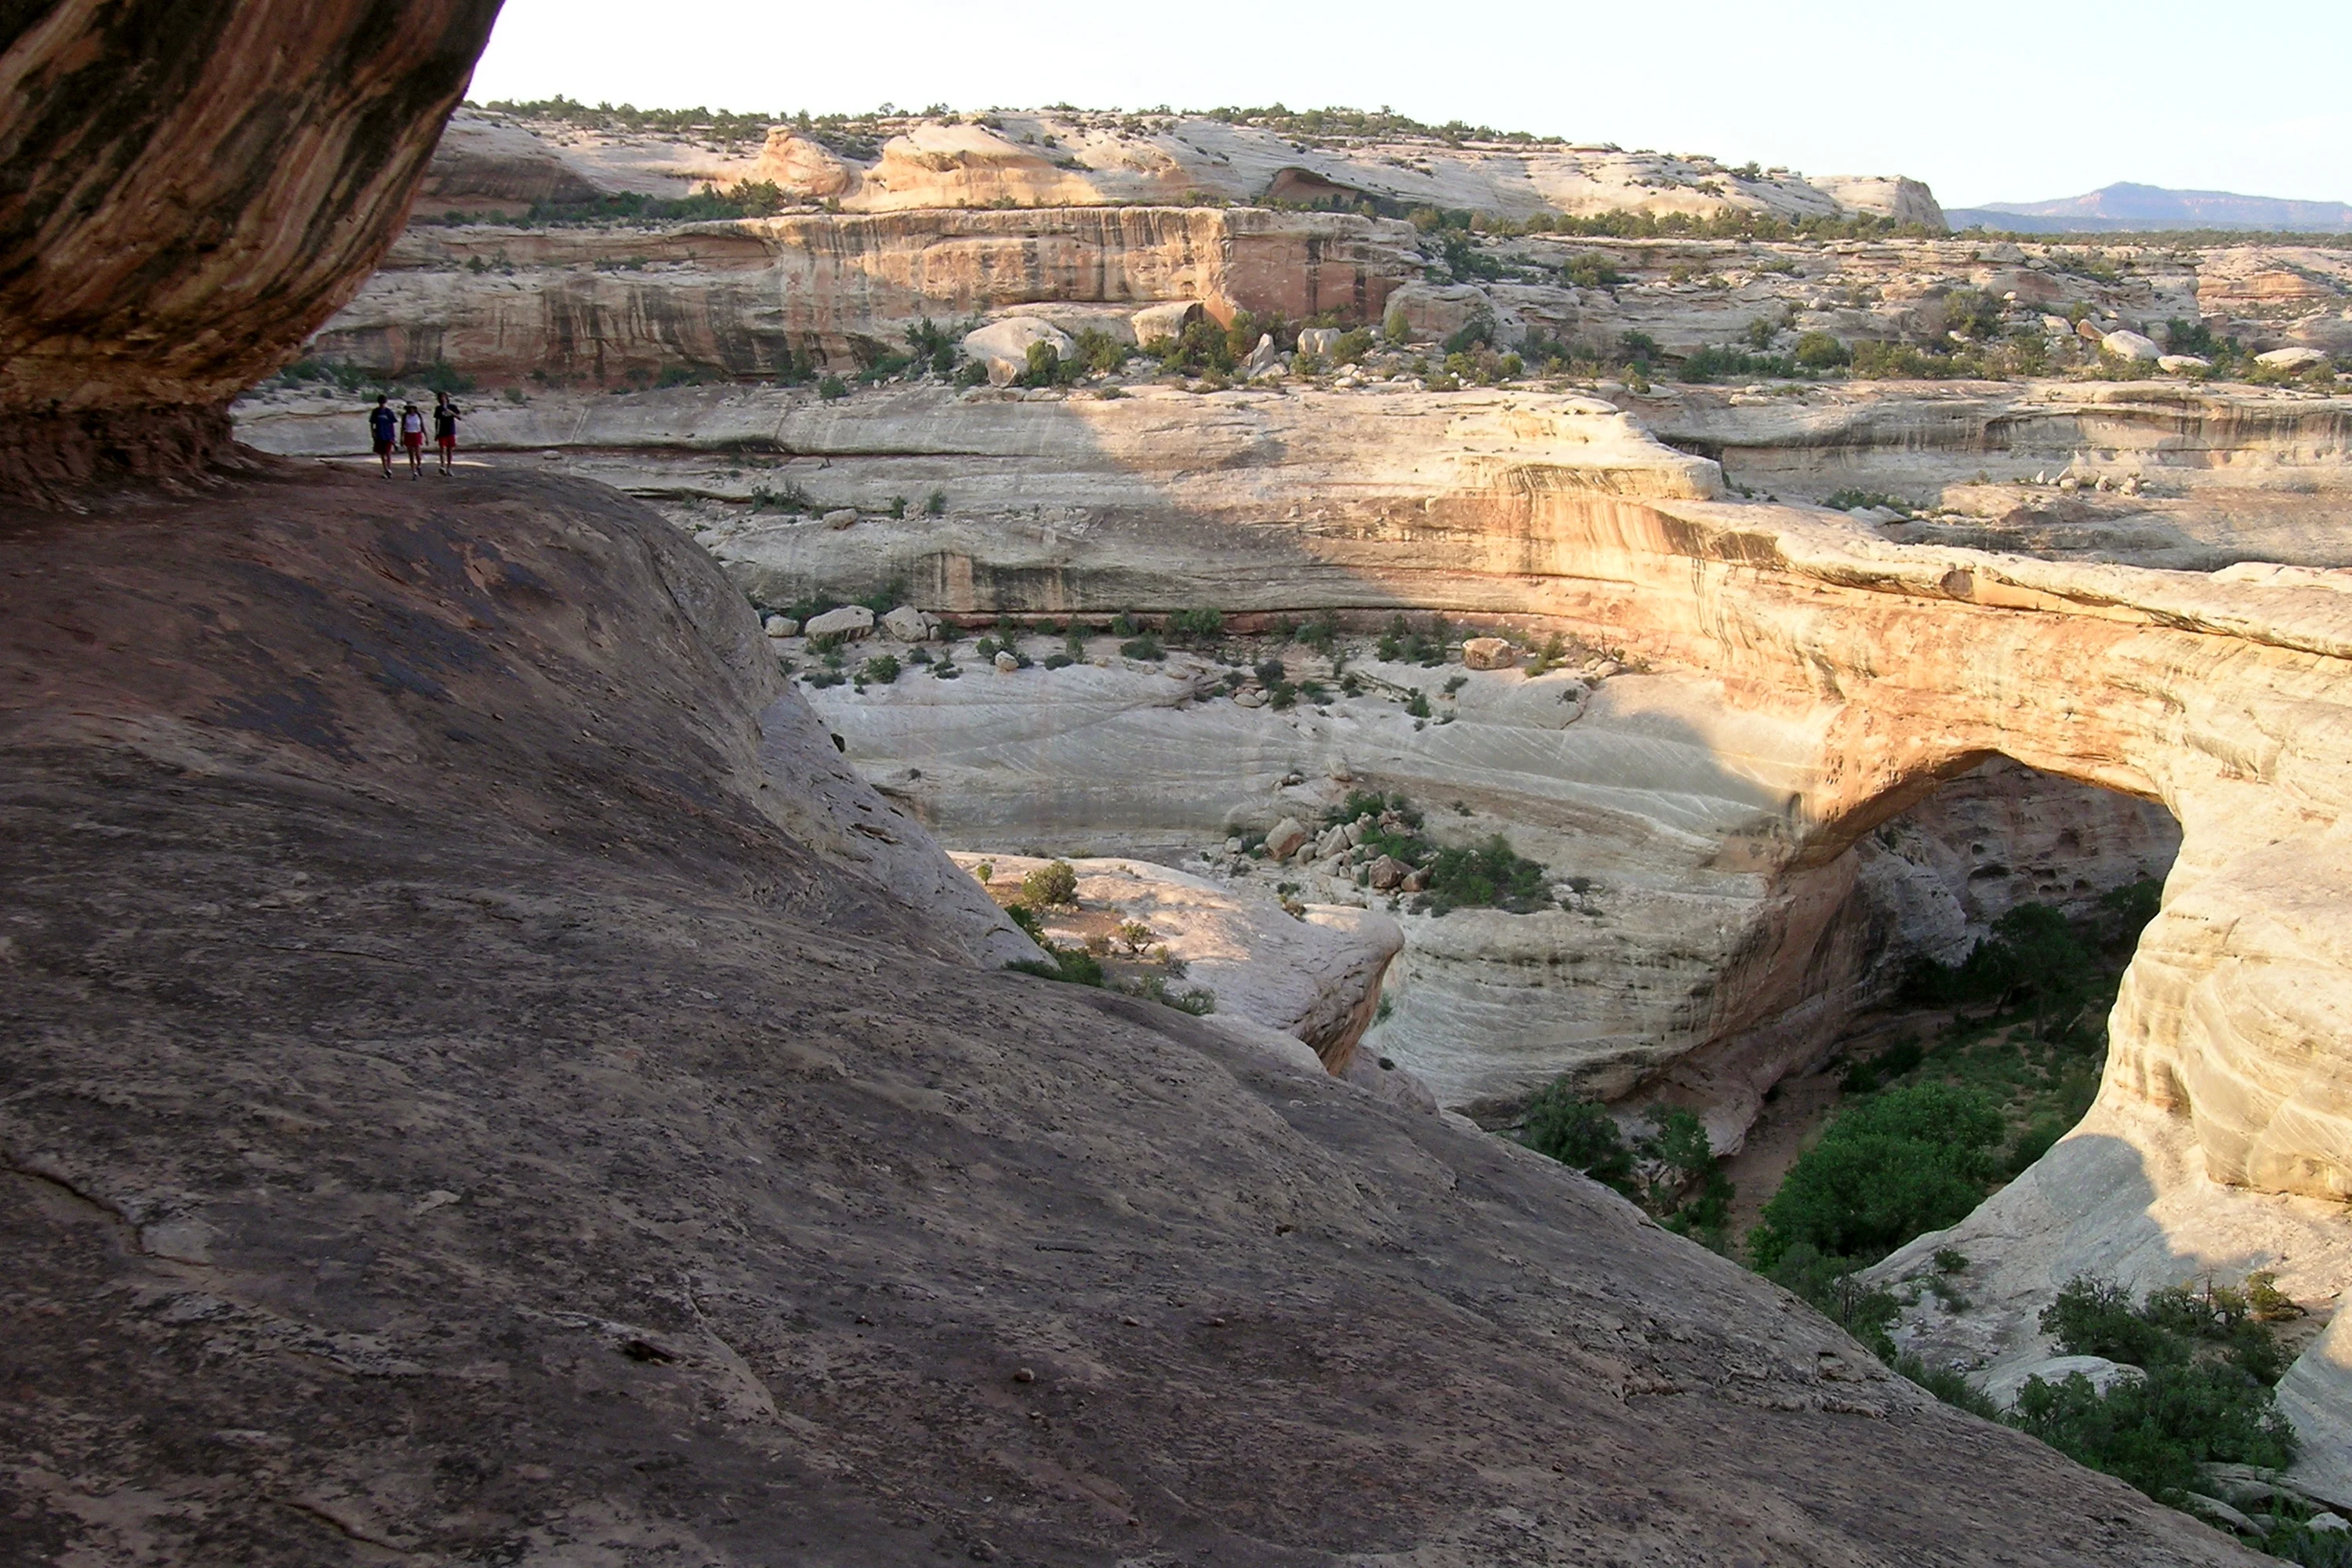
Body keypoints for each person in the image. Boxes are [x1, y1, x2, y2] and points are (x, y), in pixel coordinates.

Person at [432, 391, 463, 476]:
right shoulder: (438, 409)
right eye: (440, 398)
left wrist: (451, 413)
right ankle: (442, 466)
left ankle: (449, 467)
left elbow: (460, 417)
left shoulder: (452, 407)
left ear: (446, 398)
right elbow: (437, 421)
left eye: (443, 397)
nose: (442, 399)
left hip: (450, 431)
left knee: (450, 450)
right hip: (442, 432)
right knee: (442, 449)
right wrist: (436, 432)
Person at [368, 395, 397, 477]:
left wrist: (393, 436)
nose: (382, 404)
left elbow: (392, 425)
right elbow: (372, 423)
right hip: (379, 434)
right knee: (382, 453)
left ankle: (389, 469)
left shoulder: (388, 412)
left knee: (388, 452)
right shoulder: (376, 412)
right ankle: (386, 470)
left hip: (388, 434)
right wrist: (373, 433)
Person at [399, 401, 425, 477]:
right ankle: (414, 472)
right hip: (408, 434)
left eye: (412, 408)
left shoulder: (418, 416)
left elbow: (422, 426)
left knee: (418, 454)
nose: (411, 410)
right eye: (409, 408)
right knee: (411, 455)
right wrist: (401, 438)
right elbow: (403, 427)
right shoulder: (405, 416)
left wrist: (425, 436)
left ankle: (419, 465)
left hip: (417, 434)